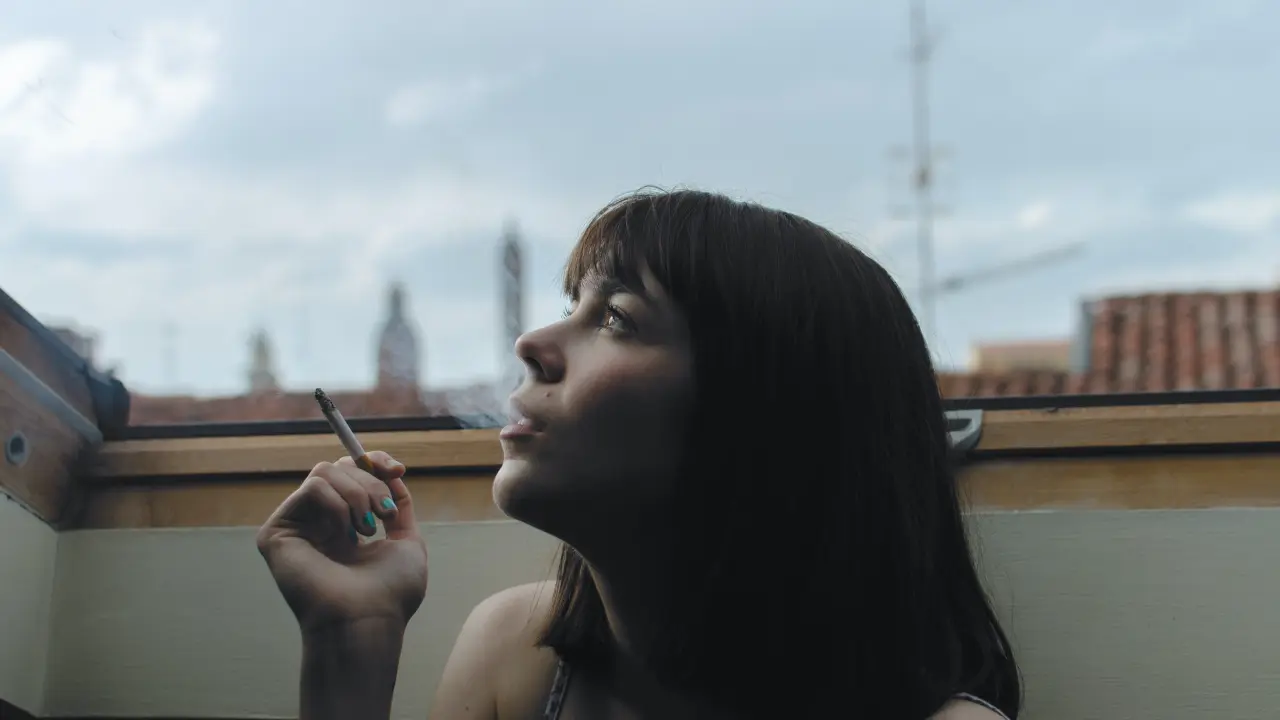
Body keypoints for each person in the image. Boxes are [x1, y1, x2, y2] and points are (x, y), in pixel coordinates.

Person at [257, 188, 1023, 720]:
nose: (531, 343)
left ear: (756, 415)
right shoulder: (511, 655)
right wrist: (350, 640)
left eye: (617, 317)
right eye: (573, 306)